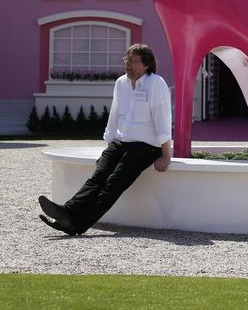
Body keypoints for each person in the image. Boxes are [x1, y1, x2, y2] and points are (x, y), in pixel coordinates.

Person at [38, 44, 172, 235]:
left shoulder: (156, 83)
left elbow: (163, 119)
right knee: (97, 178)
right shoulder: (120, 83)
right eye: (126, 59)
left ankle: (76, 224)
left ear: (146, 64)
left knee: (112, 185)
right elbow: (115, 114)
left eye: (133, 60)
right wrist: (109, 144)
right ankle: (67, 212)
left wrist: (166, 155)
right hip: (120, 142)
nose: (128, 63)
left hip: (145, 147)